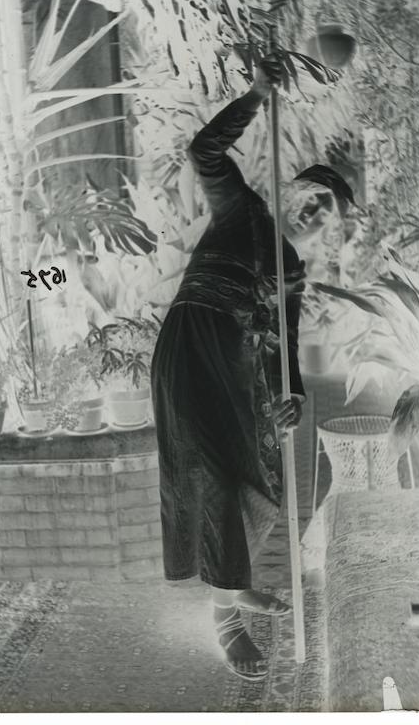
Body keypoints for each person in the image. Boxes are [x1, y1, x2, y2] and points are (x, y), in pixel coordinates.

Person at [151, 55, 354, 682]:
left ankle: (233, 583)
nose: (314, 215)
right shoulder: (242, 208)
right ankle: (227, 619)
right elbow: (204, 150)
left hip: (241, 370)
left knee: (258, 482)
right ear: (292, 189)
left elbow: (284, 342)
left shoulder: (291, 270)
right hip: (193, 351)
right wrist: (256, 95)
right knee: (216, 475)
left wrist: (292, 395)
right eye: (314, 199)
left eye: (326, 216)